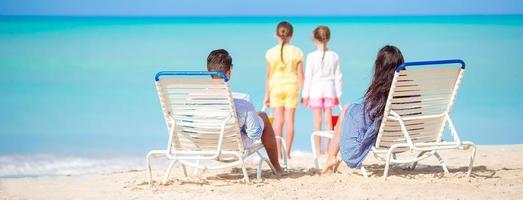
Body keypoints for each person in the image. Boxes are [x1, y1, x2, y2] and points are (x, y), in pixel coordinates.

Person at [321, 45, 404, 174]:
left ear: (379, 66)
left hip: (384, 138)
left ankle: (331, 157)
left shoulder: (382, 90)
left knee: (347, 110)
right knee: (349, 111)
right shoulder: (409, 88)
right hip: (403, 138)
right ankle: (331, 157)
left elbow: (369, 117)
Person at [206, 49, 286, 176]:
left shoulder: (195, 98)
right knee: (263, 116)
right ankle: (277, 168)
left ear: (209, 72)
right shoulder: (242, 100)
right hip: (232, 145)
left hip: (207, 144)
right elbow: (254, 134)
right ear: (228, 72)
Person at [264, 21, 304, 160]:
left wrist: (267, 95)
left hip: (276, 88)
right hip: (292, 87)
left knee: (278, 121)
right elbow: (301, 75)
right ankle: (288, 153)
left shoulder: (270, 52)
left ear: (276, 34)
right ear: (291, 35)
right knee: (290, 122)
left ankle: (279, 153)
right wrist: (304, 93)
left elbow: (268, 76)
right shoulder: (297, 51)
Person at [302, 25, 343, 156]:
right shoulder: (334, 56)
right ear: (328, 38)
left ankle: (317, 150)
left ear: (314, 38)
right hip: (330, 89)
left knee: (317, 121)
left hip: (315, 90)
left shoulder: (311, 56)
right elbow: (338, 76)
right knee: (328, 121)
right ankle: (327, 149)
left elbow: (308, 77)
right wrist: (338, 94)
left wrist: (305, 95)